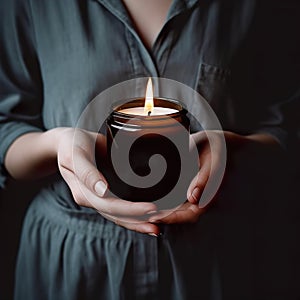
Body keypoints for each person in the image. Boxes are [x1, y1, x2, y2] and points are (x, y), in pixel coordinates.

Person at [0, 0, 299, 299]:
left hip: (219, 264)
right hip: (73, 268)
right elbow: (7, 126)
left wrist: (235, 152)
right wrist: (58, 145)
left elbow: (286, 125)